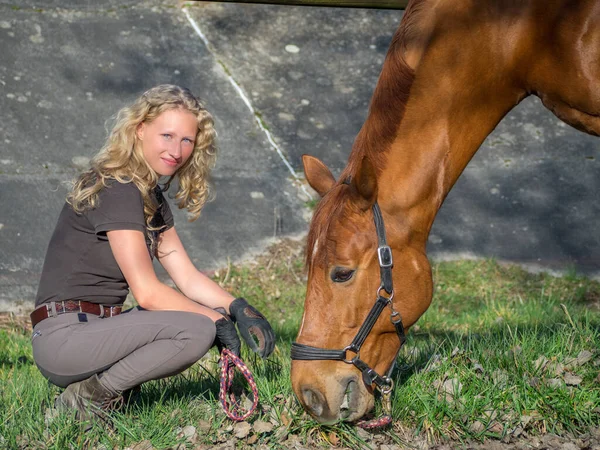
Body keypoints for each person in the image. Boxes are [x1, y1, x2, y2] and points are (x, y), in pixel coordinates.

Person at [30, 84, 275, 423]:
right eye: (167, 135)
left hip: (99, 329)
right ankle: (88, 400)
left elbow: (186, 277)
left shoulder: (148, 196)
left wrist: (238, 308)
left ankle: (101, 388)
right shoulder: (117, 188)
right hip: (65, 338)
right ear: (140, 129)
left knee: (198, 320)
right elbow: (146, 291)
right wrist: (215, 320)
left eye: (186, 140)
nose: (177, 150)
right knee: (196, 330)